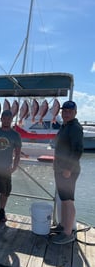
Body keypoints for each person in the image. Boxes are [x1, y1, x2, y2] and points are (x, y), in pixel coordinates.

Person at [51, 100, 83, 244]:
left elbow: (78, 150)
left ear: (75, 113)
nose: (66, 113)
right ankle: (63, 225)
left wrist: (68, 169)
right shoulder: (65, 126)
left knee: (68, 201)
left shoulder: (75, 127)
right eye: (64, 111)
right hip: (60, 169)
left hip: (68, 171)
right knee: (63, 200)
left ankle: (68, 233)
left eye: (69, 111)